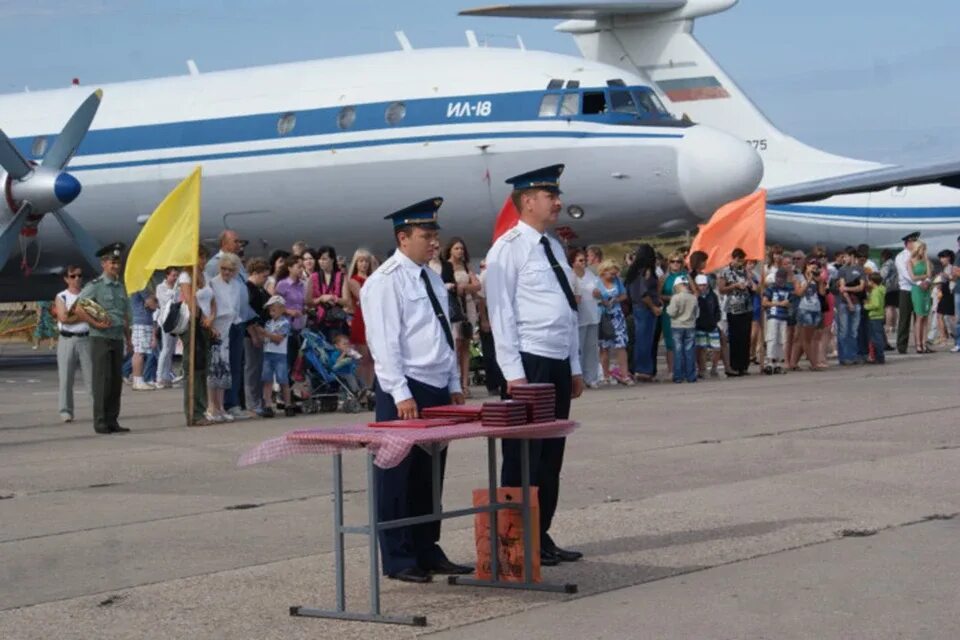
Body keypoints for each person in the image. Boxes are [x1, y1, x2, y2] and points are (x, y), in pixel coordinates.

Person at [361, 197, 470, 583]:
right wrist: (400, 393)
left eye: (435, 235)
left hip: (436, 386)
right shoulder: (385, 281)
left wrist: (454, 383)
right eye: (426, 235)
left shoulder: (432, 279)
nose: (434, 242)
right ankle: (398, 556)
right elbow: (384, 344)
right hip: (405, 390)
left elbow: (443, 334)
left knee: (430, 475)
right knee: (398, 476)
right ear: (402, 238)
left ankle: (427, 547)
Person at [484, 164, 583, 567]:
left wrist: (574, 364)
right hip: (530, 361)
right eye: (549, 196)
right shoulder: (507, 249)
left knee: (551, 457)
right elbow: (501, 314)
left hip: (557, 360)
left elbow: (566, 309)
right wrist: (514, 375)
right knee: (524, 456)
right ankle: (514, 542)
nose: (558, 202)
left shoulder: (553, 246)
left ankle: (540, 535)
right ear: (527, 201)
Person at [75, 243, 133, 435]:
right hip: (100, 338)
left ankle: (112, 420)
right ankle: (100, 422)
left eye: (117, 262)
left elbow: (124, 315)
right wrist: (95, 323)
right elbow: (78, 308)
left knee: (115, 382)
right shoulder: (95, 286)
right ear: (103, 264)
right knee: (102, 381)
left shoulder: (120, 287)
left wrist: (129, 339)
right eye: (112, 262)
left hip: (117, 337)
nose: (115, 266)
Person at [205, 230, 250, 416]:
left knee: (236, 365)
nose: (239, 244)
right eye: (235, 241)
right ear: (224, 243)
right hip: (221, 326)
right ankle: (217, 406)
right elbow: (208, 299)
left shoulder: (237, 268)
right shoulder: (213, 266)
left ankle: (232, 404)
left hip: (237, 322)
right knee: (219, 367)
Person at [442, 237, 482, 396]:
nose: (460, 251)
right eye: (456, 248)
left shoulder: (466, 267)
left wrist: (465, 287)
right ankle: (456, 382)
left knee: (466, 345)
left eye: (461, 248)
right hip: (455, 308)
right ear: (450, 250)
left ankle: (465, 383)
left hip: (468, 306)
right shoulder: (447, 267)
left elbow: (477, 285)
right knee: (456, 345)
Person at [54, 265, 93, 423]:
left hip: (85, 338)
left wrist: (75, 315)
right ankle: (66, 411)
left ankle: (96, 409)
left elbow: (94, 315)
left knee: (91, 378)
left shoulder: (87, 295)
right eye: (72, 276)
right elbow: (63, 318)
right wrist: (82, 315)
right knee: (66, 378)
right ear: (66, 279)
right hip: (67, 339)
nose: (77, 279)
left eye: (79, 275)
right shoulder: (62, 296)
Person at [624, 244, 660, 382]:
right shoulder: (647, 271)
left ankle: (636, 368)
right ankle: (644, 370)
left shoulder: (633, 271)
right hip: (646, 307)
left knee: (638, 339)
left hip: (635, 306)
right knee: (645, 340)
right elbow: (644, 293)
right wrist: (653, 307)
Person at [344, 248, 378, 388]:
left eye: (366, 261)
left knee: (372, 359)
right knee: (362, 358)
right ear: (356, 263)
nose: (364, 264)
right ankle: (361, 388)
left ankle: (370, 388)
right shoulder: (353, 280)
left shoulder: (373, 278)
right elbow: (363, 297)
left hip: (374, 318)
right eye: (361, 261)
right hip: (361, 319)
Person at [717, 248, 754, 376]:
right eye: (738, 259)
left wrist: (749, 279)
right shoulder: (725, 271)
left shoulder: (745, 271)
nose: (740, 262)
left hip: (746, 306)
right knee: (736, 337)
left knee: (745, 337)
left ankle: (744, 365)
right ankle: (734, 365)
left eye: (742, 259)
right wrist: (734, 286)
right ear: (733, 258)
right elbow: (721, 289)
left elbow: (753, 286)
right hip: (733, 307)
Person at [569, 248, 601, 388]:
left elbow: (599, 291)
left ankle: (591, 378)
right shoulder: (570, 276)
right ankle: (578, 378)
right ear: (573, 262)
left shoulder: (590, 274)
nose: (584, 263)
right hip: (579, 318)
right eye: (580, 261)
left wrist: (598, 293)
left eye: (585, 260)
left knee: (592, 349)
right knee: (579, 349)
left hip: (593, 316)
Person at [244, 258, 272, 417]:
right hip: (251, 333)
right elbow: (247, 314)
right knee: (252, 369)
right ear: (255, 274)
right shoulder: (249, 289)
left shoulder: (259, 289)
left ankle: (258, 400)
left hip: (261, 331)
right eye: (263, 276)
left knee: (259, 368)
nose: (266, 280)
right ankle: (252, 402)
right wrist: (254, 335)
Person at [597, 260, 631, 385]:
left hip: (617, 315)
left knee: (621, 345)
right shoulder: (597, 282)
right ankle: (606, 375)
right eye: (611, 274)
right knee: (604, 346)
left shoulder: (617, 281)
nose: (613, 276)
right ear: (604, 272)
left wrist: (615, 299)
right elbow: (593, 296)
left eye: (615, 274)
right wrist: (602, 300)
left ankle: (624, 374)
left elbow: (624, 295)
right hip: (603, 315)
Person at [276, 255, 308, 386]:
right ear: (290, 268)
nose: (301, 270)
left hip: (299, 327)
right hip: (286, 327)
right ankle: (283, 393)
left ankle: (292, 391)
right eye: (298, 267)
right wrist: (289, 311)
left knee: (297, 362)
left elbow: (302, 303)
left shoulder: (302, 285)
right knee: (287, 361)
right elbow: (275, 306)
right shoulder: (283, 284)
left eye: (302, 267)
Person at [791, 258, 827, 371]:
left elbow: (822, 293)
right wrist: (809, 279)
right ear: (807, 266)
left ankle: (793, 363)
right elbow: (799, 292)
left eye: (816, 267)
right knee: (805, 339)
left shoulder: (817, 279)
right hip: (804, 309)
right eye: (812, 266)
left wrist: (820, 281)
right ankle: (814, 363)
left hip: (815, 309)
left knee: (803, 338)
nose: (814, 268)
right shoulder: (799, 277)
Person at [260, 294, 293, 418]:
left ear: (281, 309)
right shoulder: (268, 323)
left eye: (273, 310)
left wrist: (265, 334)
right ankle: (268, 405)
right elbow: (265, 337)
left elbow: (279, 338)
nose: (271, 312)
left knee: (283, 380)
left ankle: (288, 404)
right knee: (267, 380)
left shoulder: (285, 323)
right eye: (270, 310)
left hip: (280, 355)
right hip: (268, 353)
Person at [835, 247, 866, 365]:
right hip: (844, 303)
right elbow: (842, 288)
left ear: (852, 256)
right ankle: (843, 357)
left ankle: (853, 355)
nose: (844, 259)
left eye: (846, 256)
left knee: (854, 331)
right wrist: (849, 302)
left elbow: (861, 287)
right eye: (843, 257)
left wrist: (848, 288)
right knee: (843, 330)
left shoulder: (860, 270)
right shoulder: (842, 270)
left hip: (857, 302)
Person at [311, 245, 350, 339]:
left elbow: (346, 301)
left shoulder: (341, 276)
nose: (321, 262)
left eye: (324, 259)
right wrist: (321, 299)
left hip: (336, 321)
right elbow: (308, 301)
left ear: (332, 260)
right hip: (319, 320)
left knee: (336, 350)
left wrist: (333, 298)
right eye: (319, 259)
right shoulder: (314, 277)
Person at [666, 275, 698, 383]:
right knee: (689, 351)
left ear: (677, 286)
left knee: (678, 351)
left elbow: (671, 312)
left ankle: (678, 376)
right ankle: (691, 376)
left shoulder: (676, 297)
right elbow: (697, 313)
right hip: (690, 326)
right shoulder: (693, 297)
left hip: (677, 326)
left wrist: (667, 309)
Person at [660, 253, 686, 376]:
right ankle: (671, 370)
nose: (676, 264)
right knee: (670, 342)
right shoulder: (664, 278)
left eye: (678, 261)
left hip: (685, 312)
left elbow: (695, 291)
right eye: (673, 261)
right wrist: (672, 298)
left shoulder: (686, 276)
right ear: (669, 263)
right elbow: (658, 295)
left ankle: (684, 368)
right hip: (669, 312)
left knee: (684, 340)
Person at [154, 267, 180, 388]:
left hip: (175, 320)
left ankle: (167, 377)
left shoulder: (177, 287)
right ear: (167, 276)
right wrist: (174, 293)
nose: (175, 278)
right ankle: (159, 377)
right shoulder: (160, 287)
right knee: (166, 348)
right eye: (173, 275)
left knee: (171, 350)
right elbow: (166, 301)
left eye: (176, 275)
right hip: (165, 320)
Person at [762, 269, 792, 374]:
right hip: (773, 316)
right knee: (772, 338)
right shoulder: (771, 288)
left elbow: (792, 301)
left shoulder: (788, 289)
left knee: (781, 340)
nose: (780, 280)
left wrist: (788, 304)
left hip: (783, 317)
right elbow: (765, 303)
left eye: (782, 277)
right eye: (778, 277)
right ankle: (770, 361)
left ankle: (778, 363)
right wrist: (779, 303)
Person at [895, 232, 920, 353]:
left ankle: (920, 344)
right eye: (913, 242)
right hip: (907, 290)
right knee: (904, 319)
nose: (915, 243)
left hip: (919, 291)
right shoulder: (901, 256)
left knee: (920, 318)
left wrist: (926, 281)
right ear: (907, 243)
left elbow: (926, 269)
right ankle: (902, 346)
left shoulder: (920, 255)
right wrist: (920, 283)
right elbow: (905, 275)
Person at [129, 290, 158, 391]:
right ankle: (138, 381)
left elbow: (151, 303)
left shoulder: (143, 286)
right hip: (141, 322)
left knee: (141, 352)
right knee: (139, 352)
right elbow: (152, 304)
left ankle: (138, 379)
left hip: (144, 321)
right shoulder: (140, 286)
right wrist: (154, 299)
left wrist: (152, 300)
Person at [694, 274, 721, 378]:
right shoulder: (695, 296)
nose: (703, 287)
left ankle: (714, 368)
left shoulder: (712, 295)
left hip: (712, 325)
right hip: (700, 326)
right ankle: (702, 369)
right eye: (700, 285)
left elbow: (717, 309)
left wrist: (715, 320)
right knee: (701, 348)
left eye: (704, 285)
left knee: (717, 348)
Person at [909, 240, 933, 353]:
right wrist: (921, 280)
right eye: (922, 249)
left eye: (924, 249)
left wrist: (926, 280)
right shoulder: (910, 261)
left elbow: (929, 274)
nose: (923, 251)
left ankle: (924, 343)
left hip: (927, 289)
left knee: (926, 317)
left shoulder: (926, 260)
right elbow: (912, 277)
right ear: (917, 249)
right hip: (917, 290)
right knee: (919, 317)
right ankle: (918, 344)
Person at [864, 272, 887, 364]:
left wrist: (866, 306)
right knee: (878, 336)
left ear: (872, 282)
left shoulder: (875, 291)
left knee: (876, 338)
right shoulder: (881, 289)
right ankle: (879, 356)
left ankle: (879, 356)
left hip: (875, 316)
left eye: (869, 281)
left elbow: (876, 304)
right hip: (880, 315)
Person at [879, 248, 899, 347]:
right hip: (895, 287)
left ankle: (888, 325)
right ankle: (893, 326)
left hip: (888, 288)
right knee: (894, 307)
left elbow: (882, 275)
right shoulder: (894, 263)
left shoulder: (887, 264)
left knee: (888, 307)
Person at [936, 250, 955, 345]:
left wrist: (944, 276)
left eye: (943, 257)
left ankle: (945, 337)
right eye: (940, 257)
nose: (941, 259)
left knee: (950, 316)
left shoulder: (951, 267)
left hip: (949, 293)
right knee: (940, 315)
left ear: (948, 257)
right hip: (945, 293)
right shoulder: (945, 268)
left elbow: (953, 278)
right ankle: (944, 336)